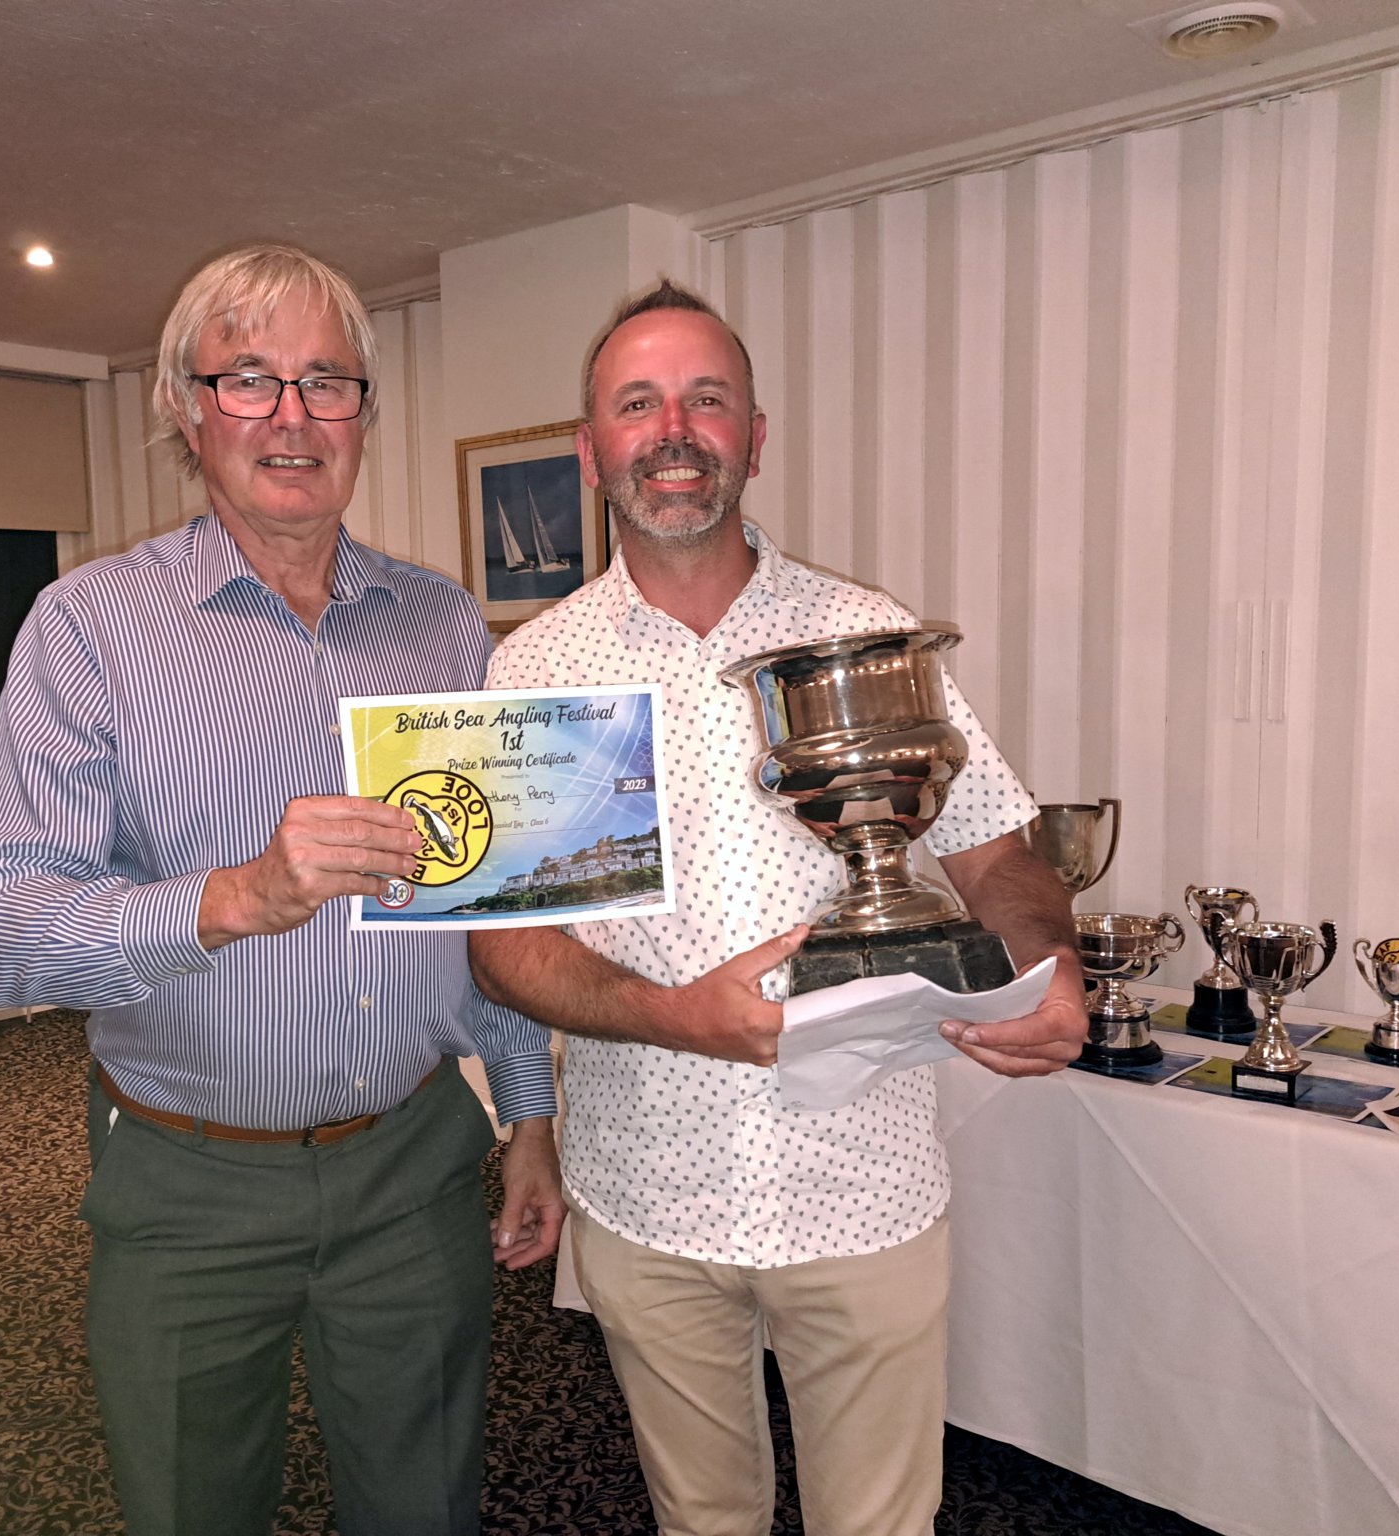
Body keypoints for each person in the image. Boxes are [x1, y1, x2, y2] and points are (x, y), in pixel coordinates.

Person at [0, 244, 561, 1536]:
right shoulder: (87, 629)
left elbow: (484, 903)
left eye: (328, 382)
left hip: (414, 1173)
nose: (292, 417)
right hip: (185, 1189)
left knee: (426, 1511)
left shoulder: (445, 629)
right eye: (251, 380)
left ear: (365, 417)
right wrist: (228, 900)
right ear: (187, 407)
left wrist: (532, 1111)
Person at [467, 282, 1087, 1536]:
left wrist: (1049, 960)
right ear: (592, 449)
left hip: (860, 1182)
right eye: (636, 404)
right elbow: (507, 953)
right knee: (702, 1521)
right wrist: (673, 1015)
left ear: (755, 436)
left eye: (707, 399)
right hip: (647, 1192)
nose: (674, 428)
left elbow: (995, 857)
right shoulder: (532, 671)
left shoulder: (865, 631)